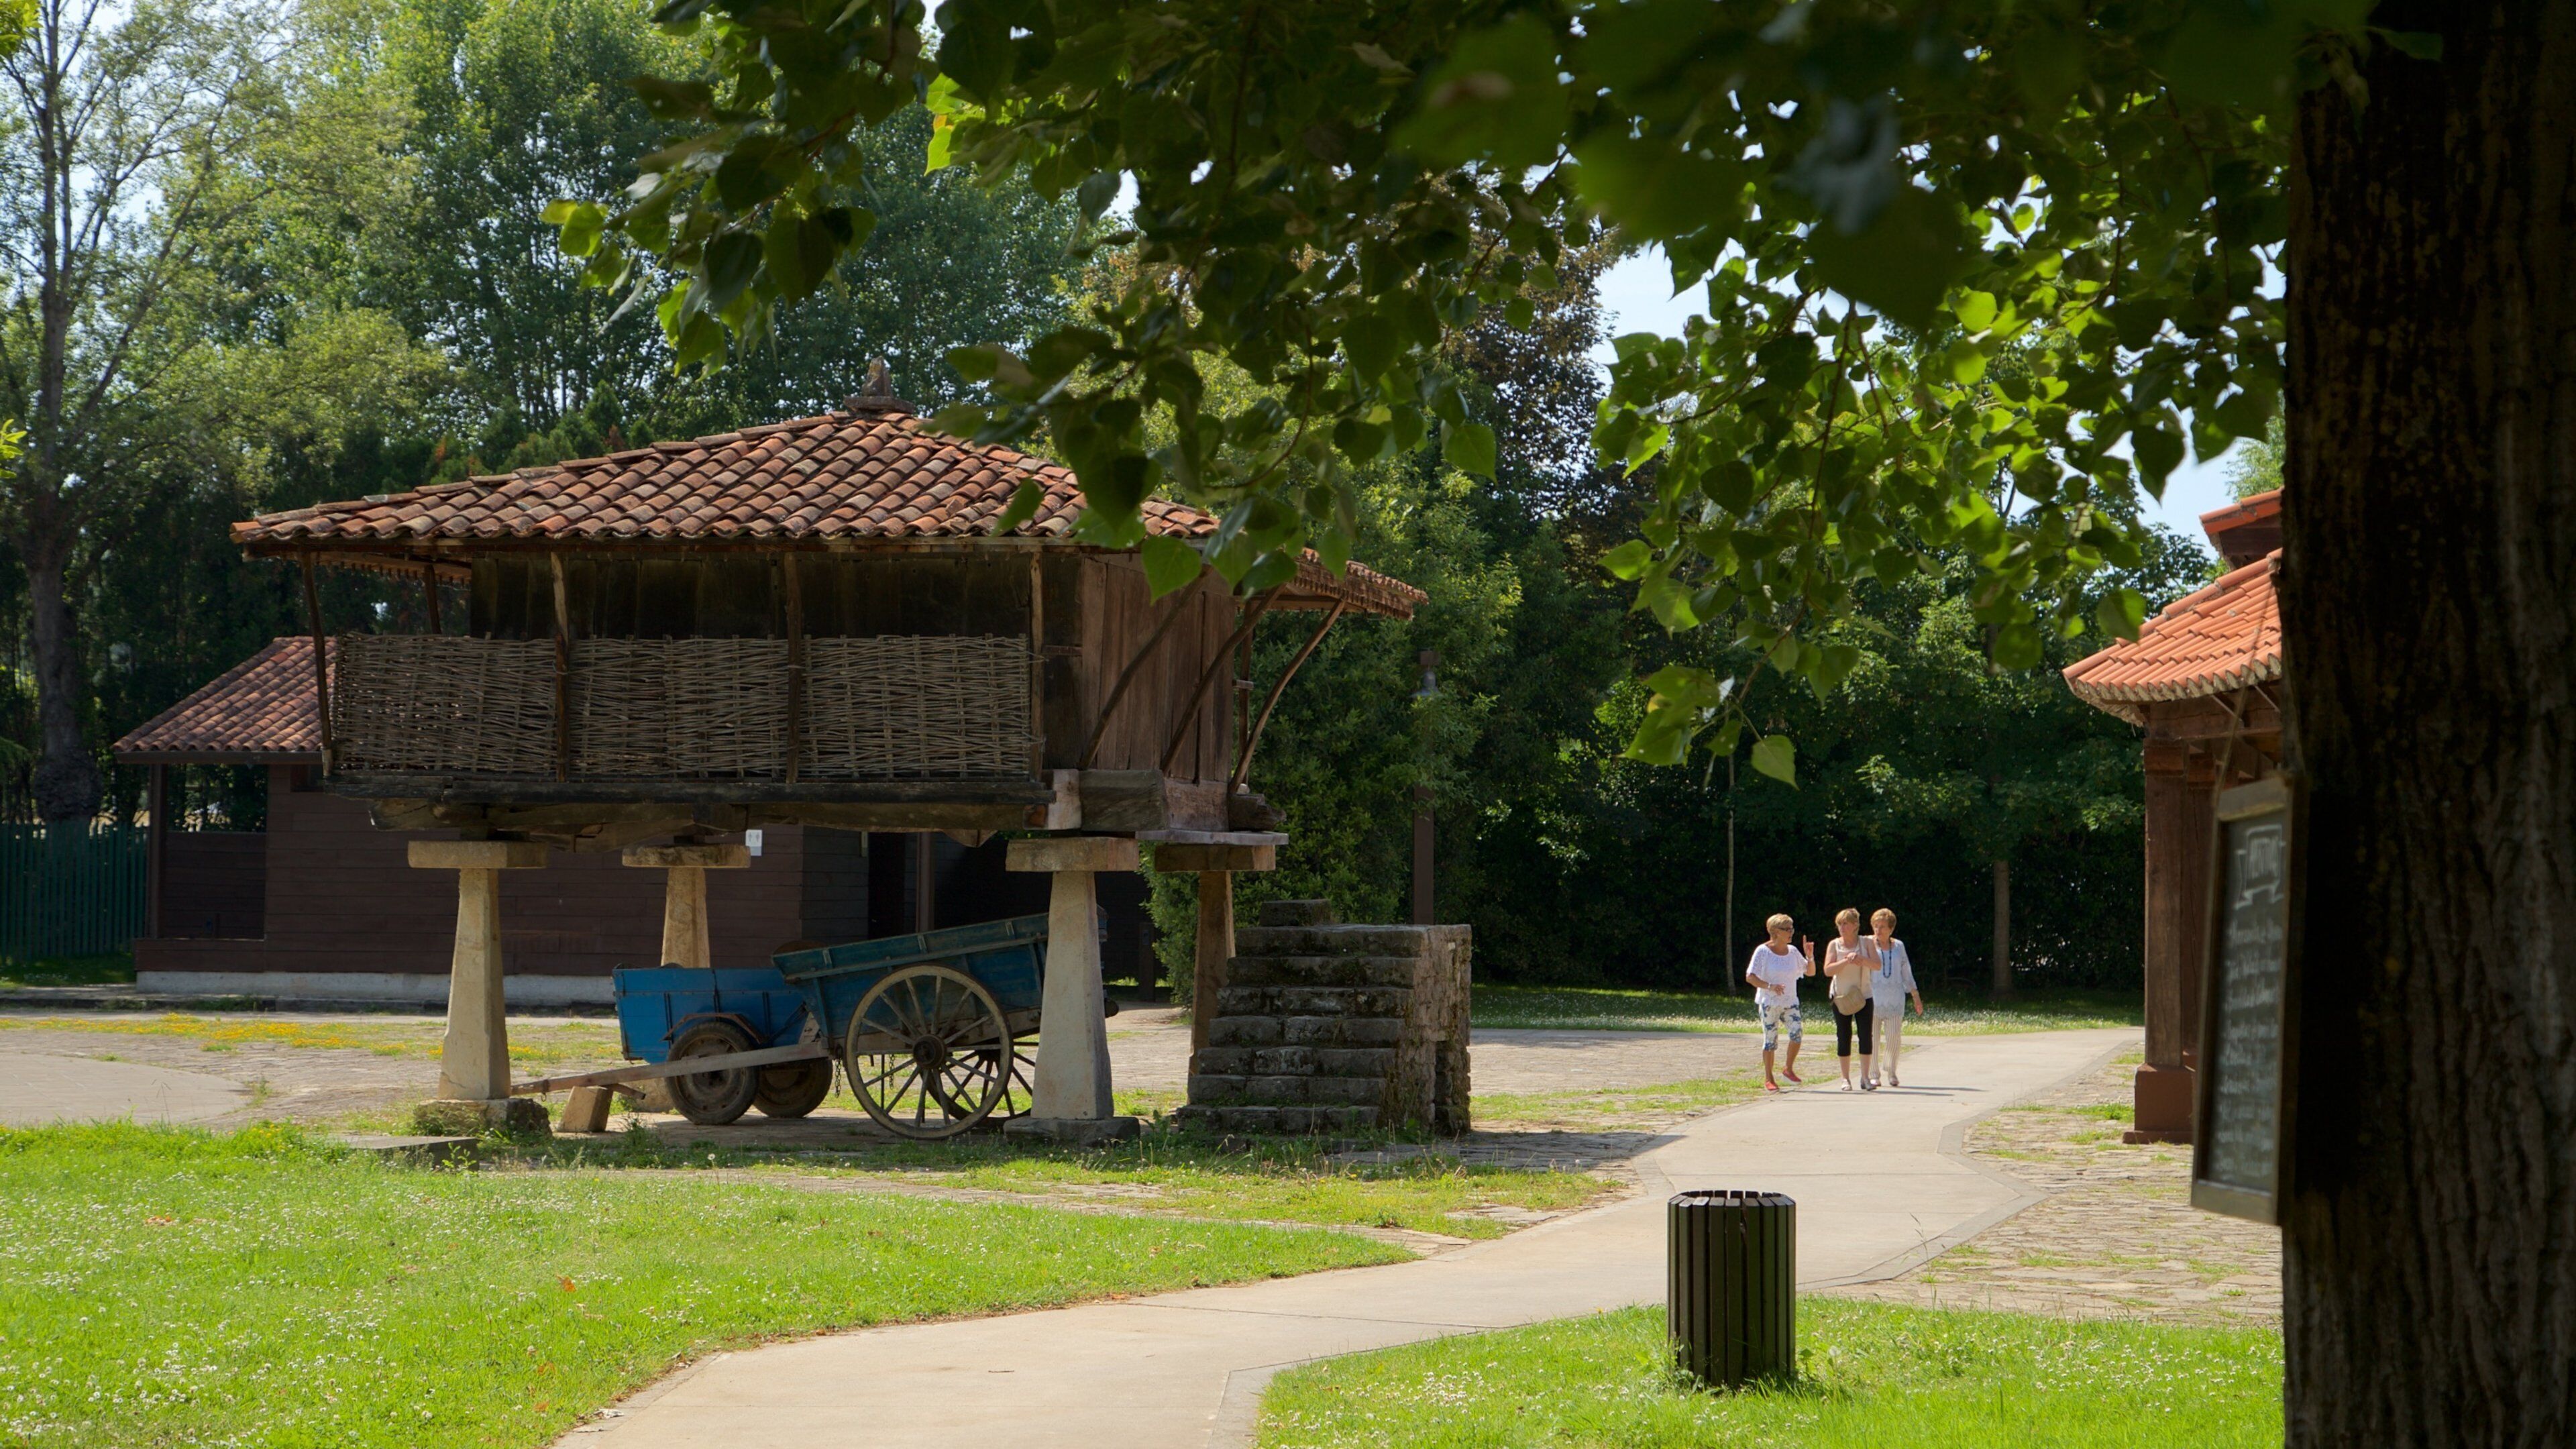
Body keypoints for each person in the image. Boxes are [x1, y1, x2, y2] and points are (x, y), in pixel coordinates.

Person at [1743, 914, 1815, 1092]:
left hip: (1790, 1002)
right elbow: (1750, 977)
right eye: (1787, 929)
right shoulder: (1763, 951)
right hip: (1769, 1003)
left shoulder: (1792, 952)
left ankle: (1788, 1070)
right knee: (1770, 1041)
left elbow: (1810, 972)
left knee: (1797, 1035)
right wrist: (1770, 986)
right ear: (1775, 932)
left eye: (1792, 928)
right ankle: (1769, 1078)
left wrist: (1810, 957)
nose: (1791, 932)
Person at [1822, 907, 1880, 1091]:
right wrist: (1845, 961)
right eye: (1839, 924)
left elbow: (1877, 965)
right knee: (1843, 1035)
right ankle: (1845, 1079)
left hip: (1864, 995)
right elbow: (1827, 970)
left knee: (1865, 1035)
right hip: (1841, 997)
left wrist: (1861, 959)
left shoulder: (1866, 943)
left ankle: (1865, 1077)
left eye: (1845, 923)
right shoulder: (1835, 945)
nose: (1842, 927)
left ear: (1855, 925)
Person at [1867, 908, 1925, 1087]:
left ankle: (1891, 1070)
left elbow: (1906, 971)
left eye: (1883, 927)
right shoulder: (1867, 944)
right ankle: (1873, 1073)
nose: (1879, 930)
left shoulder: (1899, 946)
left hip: (1894, 999)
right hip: (1872, 998)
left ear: (1891, 929)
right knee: (1871, 1038)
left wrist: (1915, 995)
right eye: (1876, 926)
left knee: (1894, 1037)